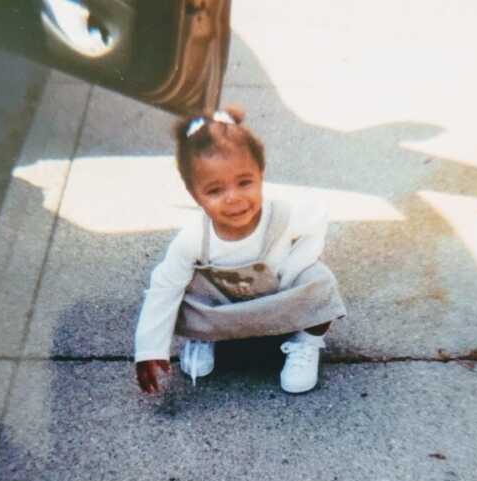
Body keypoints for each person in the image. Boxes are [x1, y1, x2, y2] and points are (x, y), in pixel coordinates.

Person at [134, 106, 346, 394]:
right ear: (193, 193)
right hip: (220, 305)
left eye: (245, 182)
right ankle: (202, 337)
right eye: (215, 190)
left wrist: (291, 269)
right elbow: (163, 289)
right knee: (180, 288)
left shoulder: (285, 212)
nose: (233, 198)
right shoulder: (194, 237)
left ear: (261, 174)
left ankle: (305, 343)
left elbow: (318, 220)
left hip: (275, 295)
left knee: (320, 281)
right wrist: (149, 350)